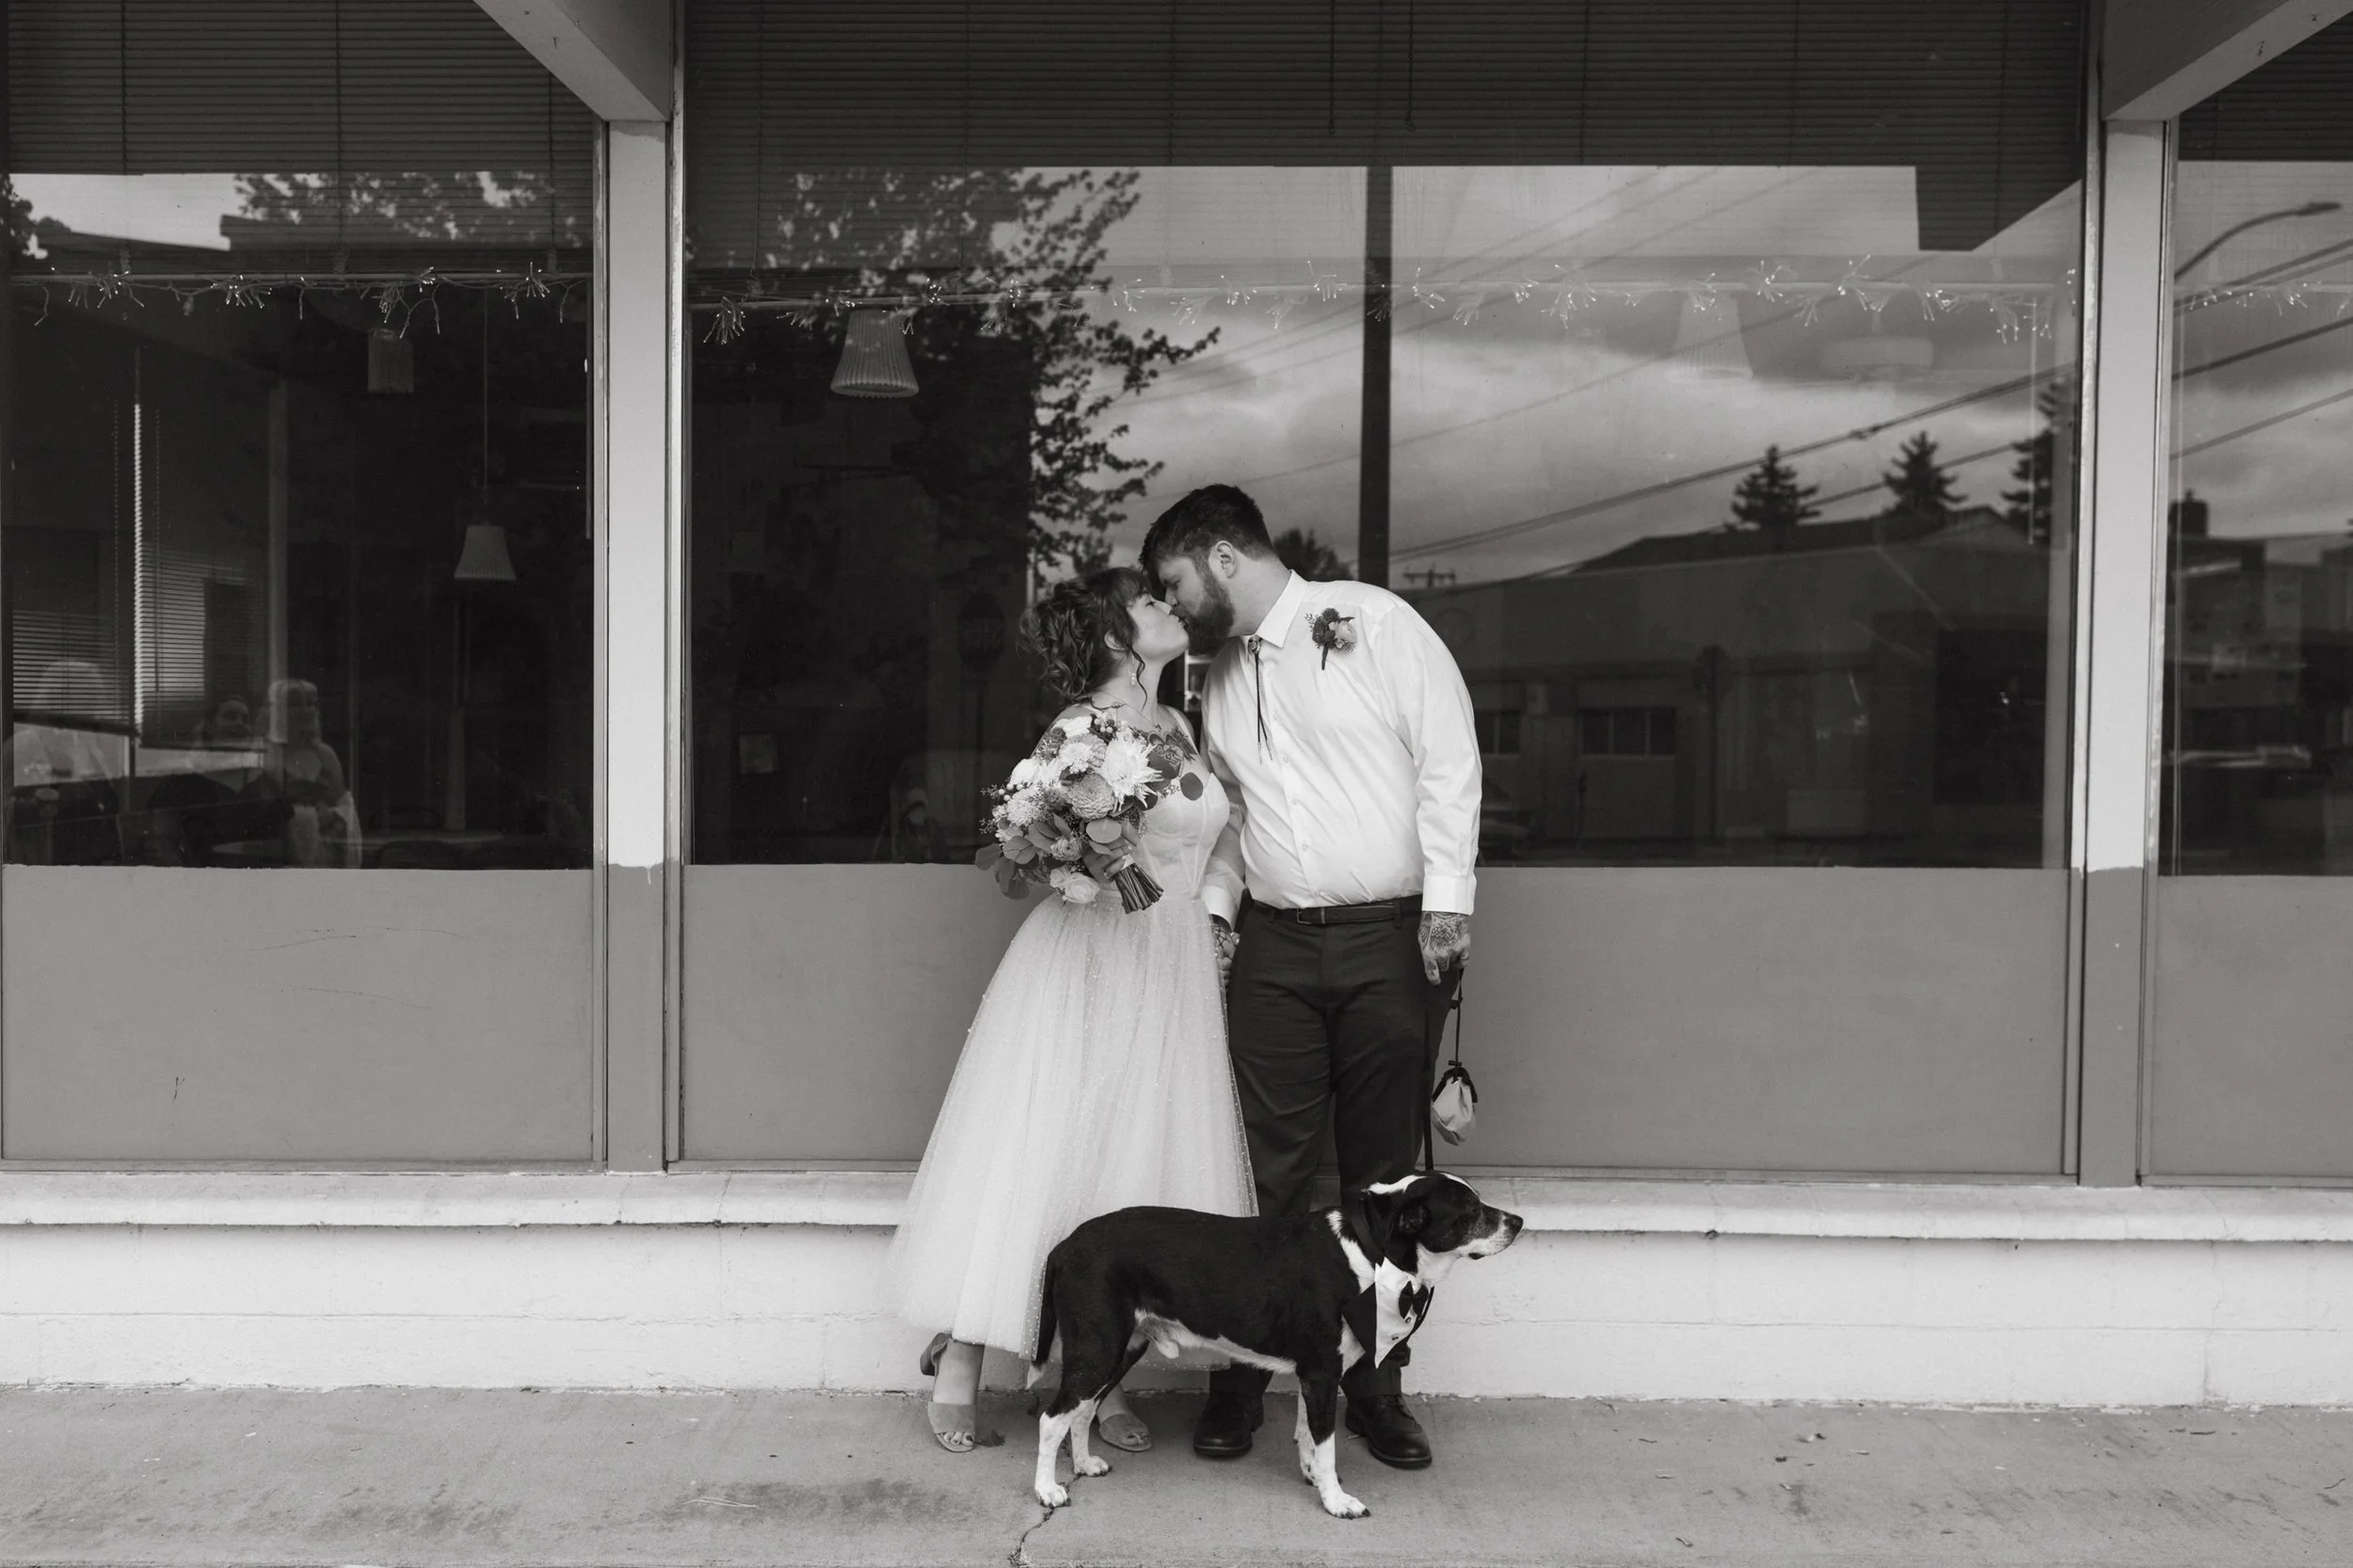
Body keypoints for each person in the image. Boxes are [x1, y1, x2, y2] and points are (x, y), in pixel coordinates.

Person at [1143, 483, 1481, 1472]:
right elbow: (1238, 822)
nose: (1172, 606)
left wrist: (1447, 901)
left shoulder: (1377, 624)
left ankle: (1375, 1392)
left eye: (1174, 583)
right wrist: (1213, 917)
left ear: (1219, 558)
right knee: (1263, 1165)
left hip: (1390, 936)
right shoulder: (1214, 677)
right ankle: (1239, 1379)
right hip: (1276, 946)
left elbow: (1448, 763)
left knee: (1382, 1171)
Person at [884, 566, 1255, 1455]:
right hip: (1087, 969)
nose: (1169, 606)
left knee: (1131, 1164)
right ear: (1118, 636)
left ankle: (1089, 1378)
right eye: (1149, 601)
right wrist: (1079, 855)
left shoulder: (1181, 727)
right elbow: (1025, 856)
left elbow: (1224, 839)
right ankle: (966, 1356)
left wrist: (1215, 919)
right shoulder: (1078, 732)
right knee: (1041, 1151)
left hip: (1169, 977)